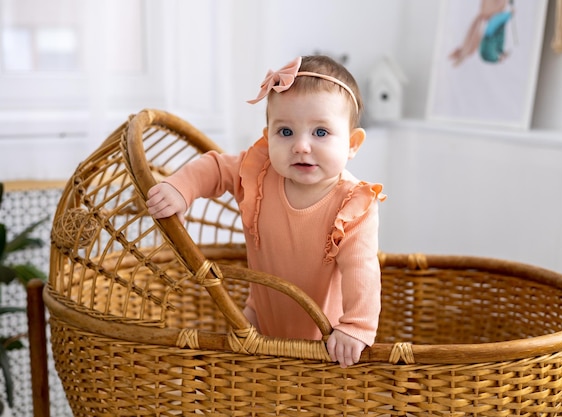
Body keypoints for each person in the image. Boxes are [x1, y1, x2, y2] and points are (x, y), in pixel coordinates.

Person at [146, 55, 385, 368]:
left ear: (352, 144)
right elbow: (216, 168)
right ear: (267, 133)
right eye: (285, 132)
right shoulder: (258, 172)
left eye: (320, 132)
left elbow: (362, 271)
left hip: (326, 339)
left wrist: (355, 326)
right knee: (237, 379)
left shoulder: (353, 204)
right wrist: (181, 189)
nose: (301, 145)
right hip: (258, 320)